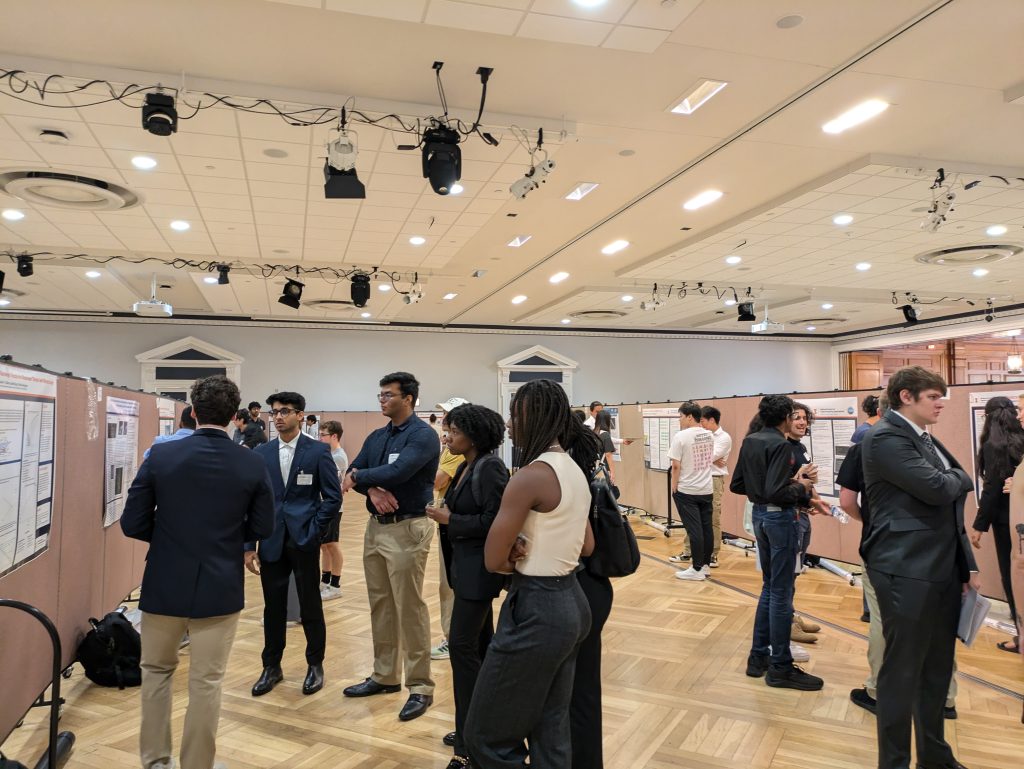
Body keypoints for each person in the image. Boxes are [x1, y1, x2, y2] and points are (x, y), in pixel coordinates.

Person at [121, 375, 274, 769]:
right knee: (206, 682)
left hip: (164, 580)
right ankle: (196, 764)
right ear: (234, 416)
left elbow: (132, 522)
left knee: (156, 671)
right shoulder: (252, 462)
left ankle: (155, 760)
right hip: (221, 585)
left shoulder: (162, 456)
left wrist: (170, 537)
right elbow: (263, 528)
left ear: (191, 412)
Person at [464, 379, 601, 769]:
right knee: (549, 725)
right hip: (572, 602)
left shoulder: (531, 476)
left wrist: (515, 552)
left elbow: (493, 559)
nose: (509, 424)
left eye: (514, 414)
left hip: (538, 606)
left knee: (485, 735)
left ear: (534, 416)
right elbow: (587, 546)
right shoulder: (573, 469)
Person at [861, 366, 979, 769]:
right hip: (904, 565)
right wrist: (955, 479)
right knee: (901, 671)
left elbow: (959, 481)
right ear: (906, 396)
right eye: (933, 396)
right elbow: (940, 486)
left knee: (936, 668)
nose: (941, 403)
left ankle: (935, 757)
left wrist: (967, 567)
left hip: (940, 566)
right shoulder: (886, 438)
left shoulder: (923, 437)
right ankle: (893, 763)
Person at [839, 395, 959, 720]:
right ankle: (943, 696)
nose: (938, 405)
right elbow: (950, 488)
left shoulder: (865, 446)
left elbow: (847, 500)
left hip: (887, 550)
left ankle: (879, 690)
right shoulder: (927, 445)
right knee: (934, 621)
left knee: (883, 621)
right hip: (930, 548)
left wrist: (871, 522)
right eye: (933, 398)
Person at [342, 372, 441, 721]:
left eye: (388, 395)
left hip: (408, 528)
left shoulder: (423, 436)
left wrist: (362, 478)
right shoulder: (377, 435)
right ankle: (385, 676)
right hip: (376, 528)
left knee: (409, 606)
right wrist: (369, 487)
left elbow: (399, 471)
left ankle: (420, 685)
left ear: (409, 398)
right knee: (380, 604)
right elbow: (353, 471)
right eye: (380, 394)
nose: (381, 399)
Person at [426, 404, 509, 769]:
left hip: (479, 573)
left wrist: (450, 518)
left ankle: (468, 745)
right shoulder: (465, 466)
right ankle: (479, 727)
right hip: (465, 570)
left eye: (454, 431)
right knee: (479, 647)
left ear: (473, 435)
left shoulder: (490, 467)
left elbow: (495, 520)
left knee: (462, 648)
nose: (448, 437)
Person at [245, 391, 342, 698]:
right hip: (271, 541)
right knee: (273, 607)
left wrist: (314, 529)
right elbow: (251, 502)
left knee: (310, 603)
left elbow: (333, 497)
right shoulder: (262, 454)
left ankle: (315, 664)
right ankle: (271, 666)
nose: (278, 417)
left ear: (301, 414)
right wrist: (248, 546)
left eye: (285, 411)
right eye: (274, 412)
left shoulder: (316, 452)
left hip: (304, 539)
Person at [731, 394, 824, 691]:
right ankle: (781, 667)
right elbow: (777, 491)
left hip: (760, 517)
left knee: (770, 589)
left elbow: (739, 485)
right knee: (782, 592)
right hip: (779, 520)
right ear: (785, 416)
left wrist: (786, 484)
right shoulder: (781, 444)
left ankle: (759, 658)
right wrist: (802, 485)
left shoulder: (752, 440)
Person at [970, 395, 1024, 653]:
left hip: (1007, 522)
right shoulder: (1021, 438)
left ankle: (1020, 637)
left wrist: (979, 526)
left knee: (1013, 578)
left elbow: (992, 489)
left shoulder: (994, 444)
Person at [430, 396, 471, 663]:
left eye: (447, 414)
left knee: (452, 585)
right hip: (447, 523)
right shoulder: (449, 447)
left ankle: (452, 638)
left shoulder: (455, 451)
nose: (443, 418)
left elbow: (437, 480)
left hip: (453, 523)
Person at [669, 401, 716, 581]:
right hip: (706, 488)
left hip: (687, 490)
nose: (680, 420)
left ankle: (696, 569)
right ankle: (704, 565)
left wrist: (674, 486)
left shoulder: (681, 436)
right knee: (706, 528)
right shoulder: (709, 435)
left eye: (681, 416)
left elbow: (675, 465)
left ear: (689, 417)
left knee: (694, 530)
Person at [318, 419, 348, 601]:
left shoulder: (337, 456)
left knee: (332, 544)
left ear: (334, 436)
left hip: (333, 508)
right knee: (324, 546)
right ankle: (325, 581)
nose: (320, 438)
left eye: (323, 435)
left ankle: (335, 585)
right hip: (323, 505)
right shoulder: (329, 454)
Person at [701, 405, 732, 568]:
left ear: (712, 420)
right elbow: (693, 454)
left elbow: (706, 456)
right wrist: (711, 458)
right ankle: (690, 551)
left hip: (714, 478)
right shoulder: (702, 435)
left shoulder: (724, 437)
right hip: (700, 478)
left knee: (713, 517)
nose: (701, 424)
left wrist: (709, 457)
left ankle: (713, 553)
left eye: (703, 421)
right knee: (697, 517)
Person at [593, 409, 616, 486]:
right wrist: (612, 473)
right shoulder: (605, 435)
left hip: (594, 469)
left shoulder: (593, 433)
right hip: (603, 469)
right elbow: (608, 455)